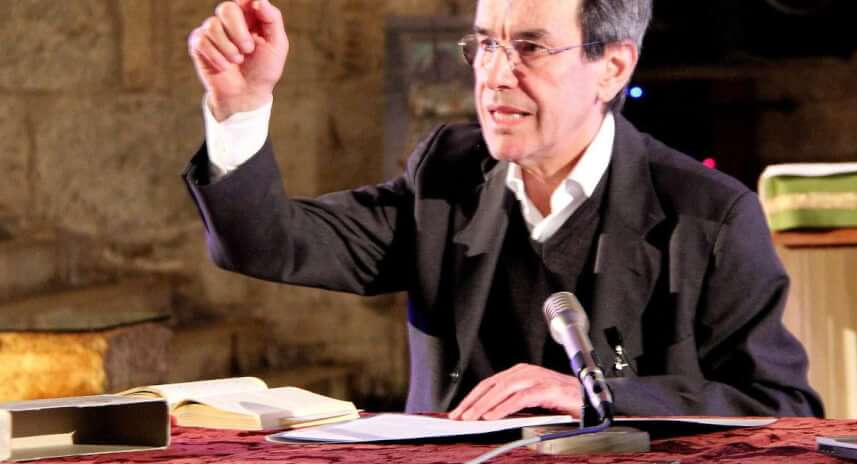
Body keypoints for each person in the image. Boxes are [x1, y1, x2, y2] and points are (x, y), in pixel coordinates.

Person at [183, 0, 824, 420]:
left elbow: (782, 411)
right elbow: (268, 242)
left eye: (530, 48)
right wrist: (240, 106)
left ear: (612, 67)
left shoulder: (709, 216)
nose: (495, 75)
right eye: (486, 44)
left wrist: (592, 396)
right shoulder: (446, 174)